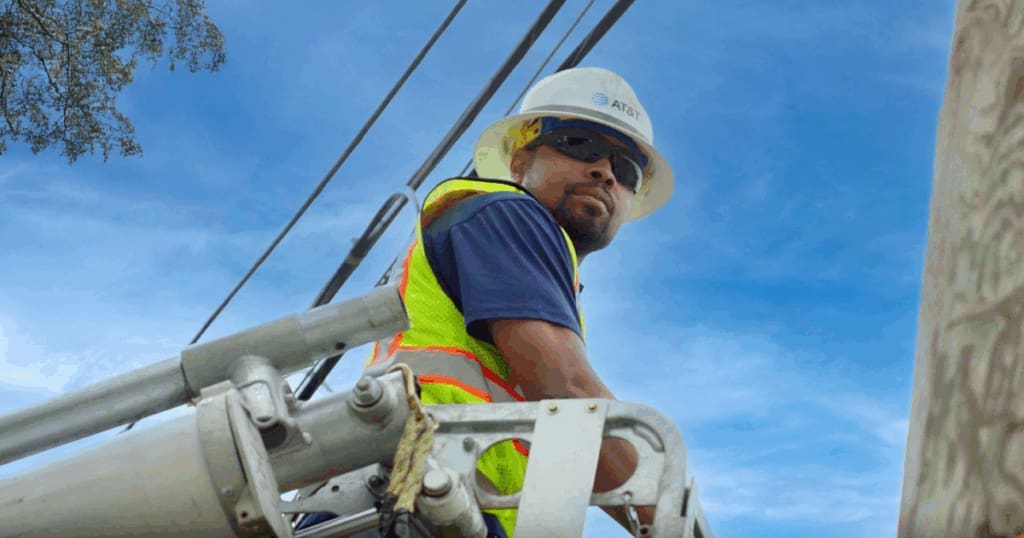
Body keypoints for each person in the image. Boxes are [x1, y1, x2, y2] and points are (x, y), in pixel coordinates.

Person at [364, 66, 674, 537]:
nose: (604, 171)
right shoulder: (503, 213)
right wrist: (671, 517)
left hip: (450, 510)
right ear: (519, 162)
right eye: (579, 145)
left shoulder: (551, 283)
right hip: (412, 505)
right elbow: (566, 389)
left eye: (624, 168)